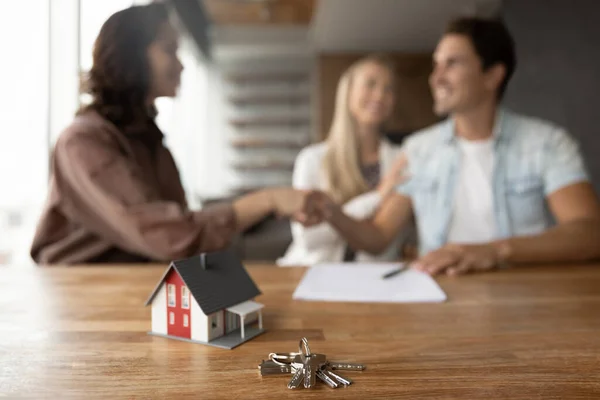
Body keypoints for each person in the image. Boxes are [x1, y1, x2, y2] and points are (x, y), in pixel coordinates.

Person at [302, 17, 600, 275]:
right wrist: (332, 212)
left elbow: (589, 233)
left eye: (452, 63)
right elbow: (379, 236)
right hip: (442, 296)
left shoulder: (547, 143)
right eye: (436, 65)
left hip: (525, 300)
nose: (436, 77)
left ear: (492, 75)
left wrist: (494, 252)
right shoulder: (419, 149)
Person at [30, 4, 319, 264]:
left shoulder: (150, 142)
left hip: (124, 286)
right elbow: (169, 235)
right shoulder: (83, 142)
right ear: (132, 55)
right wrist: (266, 200)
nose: (180, 64)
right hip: (75, 293)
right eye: (169, 49)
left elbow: (179, 224)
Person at [277, 54, 411, 266]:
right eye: (371, 84)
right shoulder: (311, 159)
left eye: (388, 89)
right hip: (312, 273)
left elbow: (386, 236)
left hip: (376, 278)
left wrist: (333, 216)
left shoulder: (402, 160)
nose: (379, 95)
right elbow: (309, 238)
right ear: (348, 91)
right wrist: (377, 197)